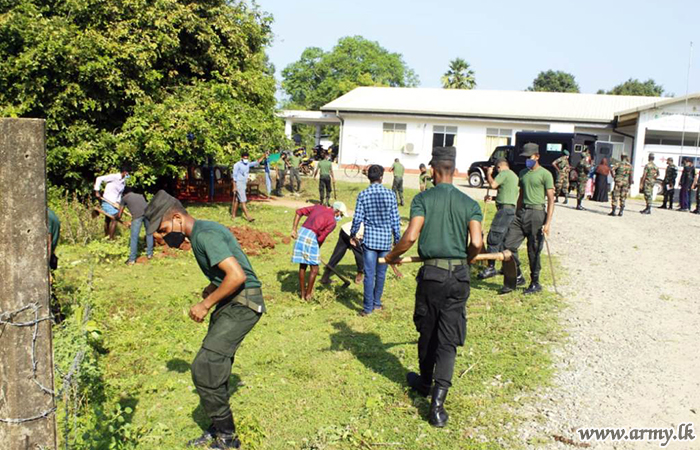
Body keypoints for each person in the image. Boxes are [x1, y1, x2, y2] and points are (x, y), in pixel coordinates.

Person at [144, 190, 265, 449]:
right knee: (213, 367)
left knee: (205, 367)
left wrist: (205, 303)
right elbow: (229, 272)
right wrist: (213, 286)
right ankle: (219, 428)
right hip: (233, 301)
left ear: (177, 217)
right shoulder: (202, 231)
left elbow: (237, 276)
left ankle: (228, 439)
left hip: (243, 304)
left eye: (164, 230)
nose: (165, 238)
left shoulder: (205, 235)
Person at [384, 146, 483, 428]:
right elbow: (476, 243)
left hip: (432, 276)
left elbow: (411, 235)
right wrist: (467, 260)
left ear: (434, 169)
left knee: (427, 332)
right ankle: (437, 406)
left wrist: (392, 256)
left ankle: (425, 382)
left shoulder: (423, 199)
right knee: (448, 339)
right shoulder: (469, 203)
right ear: (453, 169)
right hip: (459, 278)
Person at [500, 143, 555, 295]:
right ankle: (515, 277)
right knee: (508, 244)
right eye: (525, 158)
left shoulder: (545, 174)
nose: (527, 160)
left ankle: (535, 283)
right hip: (522, 213)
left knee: (534, 250)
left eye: (529, 157)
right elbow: (521, 194)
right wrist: (516, 213)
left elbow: (551, 199)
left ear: (537, 157)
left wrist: (547, 223)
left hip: (537, 213)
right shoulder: (523, 173)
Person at [350, 165, 401, 316]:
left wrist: (353, 234)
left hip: (370, 241)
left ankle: (367, 309)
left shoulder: (363, 194)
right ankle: (377, 304)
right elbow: (395, 220)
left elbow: (357, 218)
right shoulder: (390, 194)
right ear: (381, 177)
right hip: (385, 240)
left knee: (369, 274)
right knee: (381, 274)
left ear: (368, 177)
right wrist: (397, 239)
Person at [290, 202, 347, 301]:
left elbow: (299, 212)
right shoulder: (332, 222)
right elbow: (321, 238)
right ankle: (308, 295)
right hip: (311, 238)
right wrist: (316, 249)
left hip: (301, 234)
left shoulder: (318, 207)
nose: (340, 217)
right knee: (315, 269)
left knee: (303, 265)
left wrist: (294, 229)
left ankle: (302, 294)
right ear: (337, 212)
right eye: (341, 215)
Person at [478, 158, 519, 280]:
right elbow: (507, 194)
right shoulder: (514, 176)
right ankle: (506, 267)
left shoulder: (504, 173)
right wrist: (494, 198)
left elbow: (493, 184)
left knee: (494, 237)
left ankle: (490, 267)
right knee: (504, 240)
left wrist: (489, 174)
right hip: (511, 209)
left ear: (499, 167)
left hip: (504, 211)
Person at [320, 221, 365, 285]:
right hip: (356, 233)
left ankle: (325, 278)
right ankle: (359, 275)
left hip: (345, 230)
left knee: (337, 254)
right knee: (360, 254)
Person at [118, 187, 154, 265]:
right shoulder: (140, 196)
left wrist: (117, 218)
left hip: (137, 216)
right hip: (148, 214)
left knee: (134, 237)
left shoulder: (124, 198)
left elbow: (119, 214)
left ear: (124, 193)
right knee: (149, 233)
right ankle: (150, 254)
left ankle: (132, 259)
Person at [94, 165, 130, 240]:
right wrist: (97, 191)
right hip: (107, 201)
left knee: (108, 220)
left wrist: (118, 203)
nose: (128, 175)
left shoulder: (123, 182)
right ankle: (111, 238)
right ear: (124, 172)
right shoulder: (114, 177)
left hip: (114, 203)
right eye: (128, 173)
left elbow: (119, 194)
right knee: (115, 218)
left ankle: (106, 237)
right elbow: (99, 178)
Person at [232, 151, 266, 222]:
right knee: (243, 200)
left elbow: (257, 162)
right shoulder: (237, 165)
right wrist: (234, 187)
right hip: (239, 184)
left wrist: (264, 155)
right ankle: (248, 217)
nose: (246, 159)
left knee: (238, 200)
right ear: (241, 158)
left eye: (247, 158)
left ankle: (233, 215)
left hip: (244, 184)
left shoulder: (247, 164)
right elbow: (234, 177)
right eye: (244, 158)